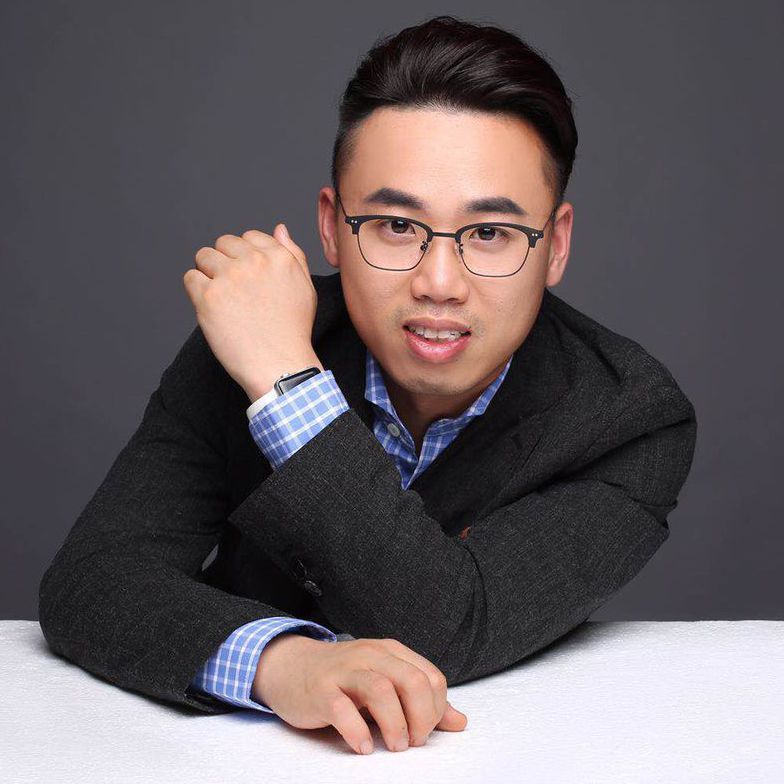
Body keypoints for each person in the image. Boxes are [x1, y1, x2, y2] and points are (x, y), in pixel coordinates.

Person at [38, 15, 697, 757]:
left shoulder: (629, 420)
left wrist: (289, 387)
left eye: (490, 234)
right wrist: (281, 664)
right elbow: (92, 581)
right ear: (331, 226)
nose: (439, 283)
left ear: (557, 245)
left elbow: (448, 626)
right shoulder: (254, 335)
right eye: (395, 225)